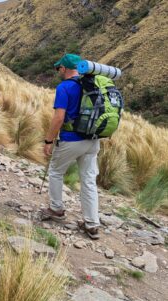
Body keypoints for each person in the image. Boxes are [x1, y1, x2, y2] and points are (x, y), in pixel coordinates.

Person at [42, 53, 101, 240]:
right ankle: (92, 224)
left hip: (71, 139)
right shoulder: (93, 84)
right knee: (89, 180)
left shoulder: (64, 87)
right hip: (93, 141)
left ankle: (56, 209)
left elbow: (59, 118)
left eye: (59, 68)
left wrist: (49, 141)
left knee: (56, 171)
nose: (58, 71)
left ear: (64, 68)